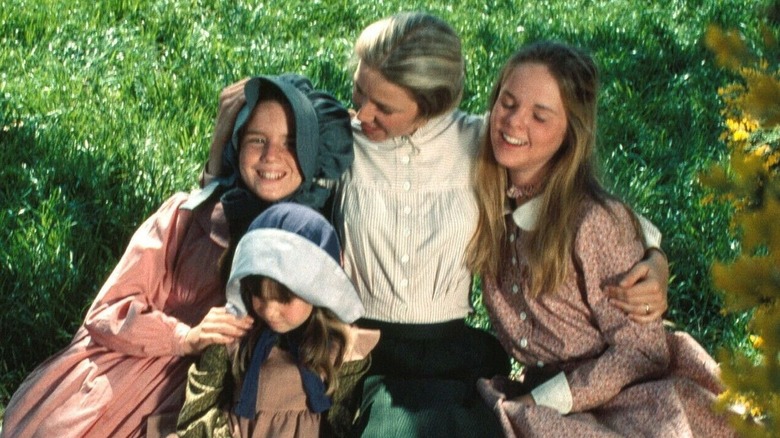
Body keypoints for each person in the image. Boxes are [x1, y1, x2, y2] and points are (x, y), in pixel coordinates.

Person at [203, 12, 670, 437]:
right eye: (359, 92)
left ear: (432, 103)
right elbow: (266, 163)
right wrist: (223, 139)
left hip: (452, 354)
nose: (364, 113)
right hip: (364, 345)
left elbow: (568, 194)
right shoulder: (342, 141)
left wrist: (652, 251)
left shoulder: (480, 144)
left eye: (385, 106)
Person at [0, 74, 354, 438]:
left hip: (216, 397)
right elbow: (108, 310)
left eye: (291, 143)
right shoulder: (187, 216)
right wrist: (184, 336)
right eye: (256, 140)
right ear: (237, 144)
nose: (271, 156)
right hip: (137, 365)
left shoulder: (314, 243)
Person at [467, 40, 736, 437]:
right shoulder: (486, 175)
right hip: (542, 392)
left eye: (540, 116)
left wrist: (544, 401)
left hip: (630, 399)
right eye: (507, 103)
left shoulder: (593, 223)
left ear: (570, 134)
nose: (513, 123)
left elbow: (641, 350)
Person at [174, 202, 380, 438]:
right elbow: (198, 405)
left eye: (285, 299)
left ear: (318, 291)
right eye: (259, 295)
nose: (270, 312)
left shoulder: (342, 348)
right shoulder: (234, 335)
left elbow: (342, 420)